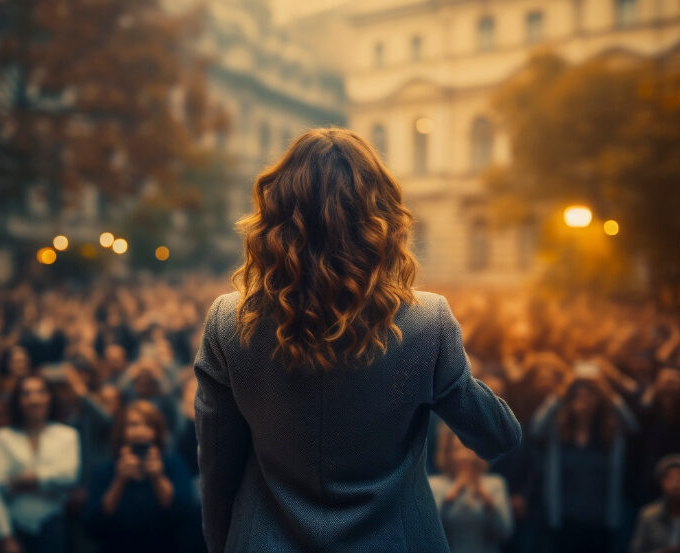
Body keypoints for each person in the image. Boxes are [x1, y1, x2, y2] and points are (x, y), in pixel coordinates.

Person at [193, 128, 522, 553]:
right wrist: (448, 372)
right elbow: (499, 436)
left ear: (276, 216)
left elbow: (217, 467)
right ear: (381, 216)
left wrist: (225, 545)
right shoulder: (427, 322)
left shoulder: (229, 322)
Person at [529, 370, 639, 553]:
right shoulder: (560, 433)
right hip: (565, 517)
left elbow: (633, 426)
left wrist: (610, 396)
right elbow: (535, 428)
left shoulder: (609, 435)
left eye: (589, 396)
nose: (583, 402)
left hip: (601, 519)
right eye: (578, 397)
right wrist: (558, 396)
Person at [82, 400, 199, 553]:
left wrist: (158, 478)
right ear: (121, 431)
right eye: (133, 425)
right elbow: (91, 526)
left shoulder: (173, 464)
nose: (140, 431)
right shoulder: (105, 470)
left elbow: (185, 517)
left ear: (157, 431)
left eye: (148, 425)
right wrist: (119, 480)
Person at [0, 375, 80, 553]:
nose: (34, 399)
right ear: (18, 401)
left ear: (49, 397)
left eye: (40, 392)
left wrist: (26, 479)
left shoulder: (67, 435)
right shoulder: (4, 437)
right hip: (15, 526)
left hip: (53, 526)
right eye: (26, 394)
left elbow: (68, 477)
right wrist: (5, 536)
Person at [428, 424, 513, 553]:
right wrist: (453, 493)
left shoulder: (495, 484)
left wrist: (485, 497)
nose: (464, 456)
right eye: (457, 449)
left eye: (468, 449)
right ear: (447, 453)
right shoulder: (435, 485)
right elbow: (430, 532)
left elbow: (505, 532)